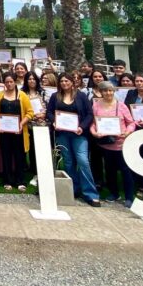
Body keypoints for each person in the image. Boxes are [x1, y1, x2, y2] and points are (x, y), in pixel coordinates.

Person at [45, 73, 100, 206]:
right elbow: (49, 112)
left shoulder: (81, 96)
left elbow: (89, 114)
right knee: (68, 162)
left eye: (67, 81)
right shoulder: (55, 96)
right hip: (62, 134)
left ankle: (90, 193)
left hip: (79, 134)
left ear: (72, 82)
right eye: (62, 81)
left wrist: (82, 127)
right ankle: (74, 188)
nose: (64, 83)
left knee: (83, 161)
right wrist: (53, 121)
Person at [89, 81, 137, 206]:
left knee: (125, 171)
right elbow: (93, 123)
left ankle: (129, 197)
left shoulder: (121, 106)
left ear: (113, 91)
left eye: (110, 90)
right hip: (106, 144)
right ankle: (114, 193)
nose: (108, 93)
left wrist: (127, 132)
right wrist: (94, 132)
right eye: (105, 91)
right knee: (109, 170)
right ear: (101, 92)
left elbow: (131, 123)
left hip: (121, 144)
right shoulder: (96, 106)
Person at [0, 72, 34, 192]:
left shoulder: (22, 96)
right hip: (4, 133)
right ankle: (7, 180)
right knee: (6, 156)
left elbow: (30, 113)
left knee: (19, 157)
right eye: (6, 82)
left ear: (15, 82)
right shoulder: (0, 95)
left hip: (19, 133)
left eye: (11, 81)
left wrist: (21, 124)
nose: (9, 84)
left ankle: (20, 181)